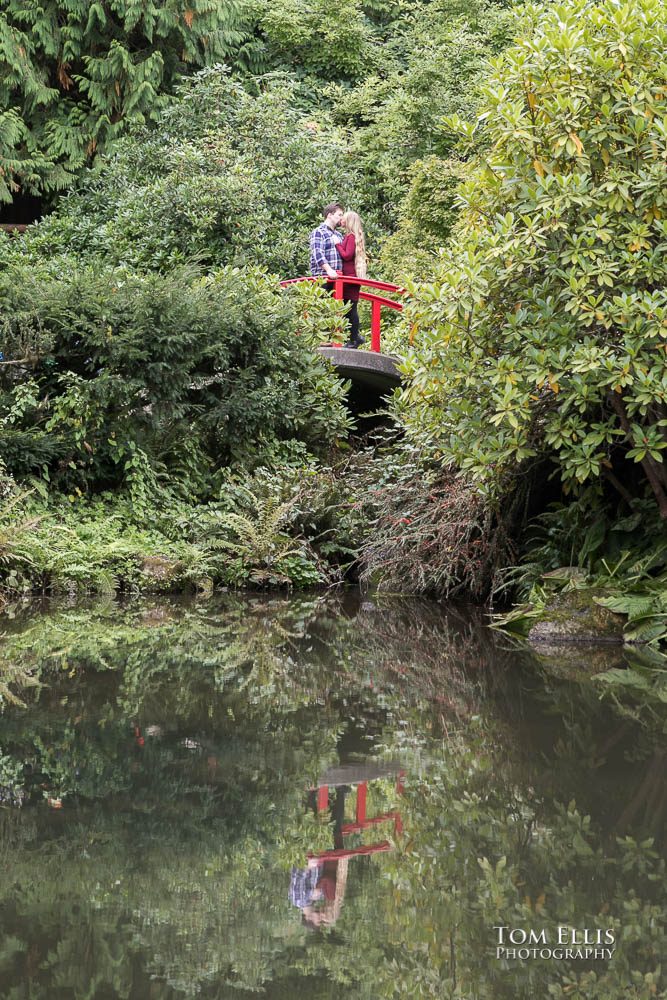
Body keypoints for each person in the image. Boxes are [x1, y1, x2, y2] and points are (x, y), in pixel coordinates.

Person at [336, 211, 367, 349]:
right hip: (351, 278)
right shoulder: (351, 237)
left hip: (349, 278)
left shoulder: (350, 236)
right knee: (349, 309)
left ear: (349, 221)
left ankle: (354, 339)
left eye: (343, 218)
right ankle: (355, 337)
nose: (341, 220)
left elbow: (347, 255)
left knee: (350, 310)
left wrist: (337, 245)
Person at [309, 203, 344, 287]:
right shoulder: (318, 232)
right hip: (322, 279)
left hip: (338, 279)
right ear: (329, 215)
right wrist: (329, 270)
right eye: (339, 215)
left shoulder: (339, 235)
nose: (342, 218)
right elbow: (318, 253)